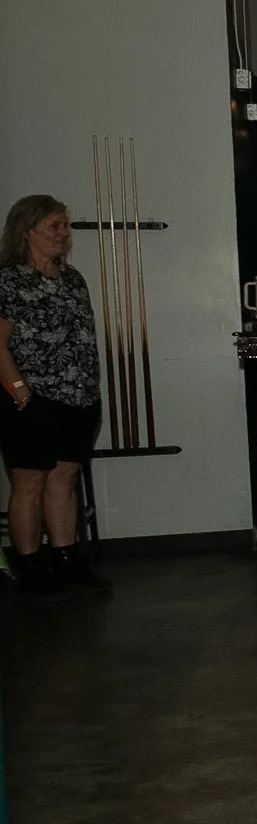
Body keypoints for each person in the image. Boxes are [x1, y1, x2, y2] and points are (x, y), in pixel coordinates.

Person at [0, 195, 108, 595]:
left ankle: (66, 562)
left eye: (65, 226)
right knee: (29, 483)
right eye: (54, 226)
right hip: (30, 399)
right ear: (26, 230)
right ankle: (31, 570)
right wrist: (22, 394)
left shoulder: (72, 278)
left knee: (64, 478)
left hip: (78, 397)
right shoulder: (8, 281)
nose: (63, 234)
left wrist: (89, 389)